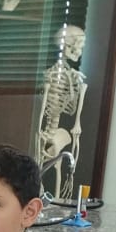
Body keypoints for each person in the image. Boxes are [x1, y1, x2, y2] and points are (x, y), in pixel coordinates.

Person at [35, 25, 88, 201]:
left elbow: (71, 108)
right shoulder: (50, 76)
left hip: (58, 131)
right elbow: (43, 106)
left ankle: (58, 201)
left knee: (58, 161)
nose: (79, 52)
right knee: (42, 163)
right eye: (78, 46)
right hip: (45, 131)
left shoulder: (72, 76)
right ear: (66, 46)